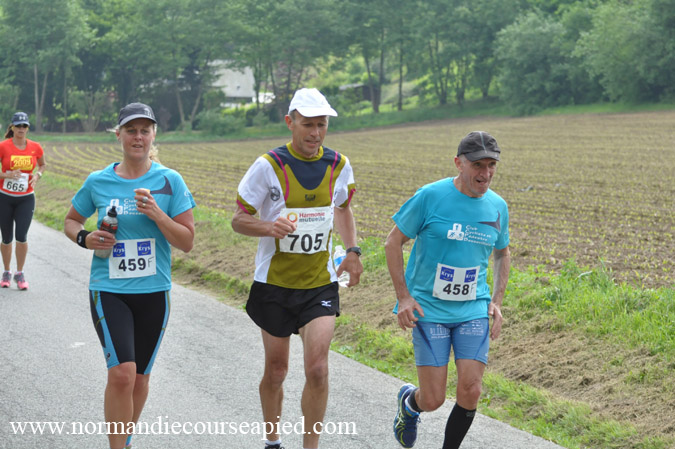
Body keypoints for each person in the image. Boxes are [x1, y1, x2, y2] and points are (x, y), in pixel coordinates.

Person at [232, 88, 363, 449]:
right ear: (290, 122)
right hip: (274, 284)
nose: (316, 133)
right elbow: (239, 220)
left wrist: (352, 250)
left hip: (319, 284)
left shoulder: (338, 165)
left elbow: (343, 209)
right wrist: (267, 226)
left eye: (322, 125)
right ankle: (272, 440)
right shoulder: (268, 165)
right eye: (308, 125)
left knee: (318, 369)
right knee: (277, 371)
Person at [64, 103, 195, 449]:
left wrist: (158, 215)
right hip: (109, 289)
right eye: (131, 131)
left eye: (144, 131)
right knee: (122, 374)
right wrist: (86, 238)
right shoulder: (98, 181)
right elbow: (71, 221)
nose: (138, 137)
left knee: (139, 378)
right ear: (118, 135)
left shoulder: (170, 181)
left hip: (154, 291)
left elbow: (187, 241)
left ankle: (124, 439)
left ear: (153, 136)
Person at [385, 131, 511, 449]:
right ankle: (410, 403)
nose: (485, 173)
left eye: (491, 165)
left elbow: (502, 253)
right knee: (433, 399)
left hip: (473, 307)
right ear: (458, 163)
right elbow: (393, 242)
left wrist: (496, 301)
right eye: (478, 165)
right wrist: (404, 297)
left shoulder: (498, 206)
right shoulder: (430, 196)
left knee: (471, 390)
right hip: (429, 309)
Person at [0, 112, 46, 290]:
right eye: (18, 126)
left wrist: (37, 175)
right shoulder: (3, 146)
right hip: (4, 197)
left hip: (26, 199)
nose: (21, 129)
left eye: (24, 126)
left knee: (21, 236)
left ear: (27, 128)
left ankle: (19, 273)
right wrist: (7, 175)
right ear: (12, 127)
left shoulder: (35, 147)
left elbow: (42, 165)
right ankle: (6, 271)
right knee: (6, 238)